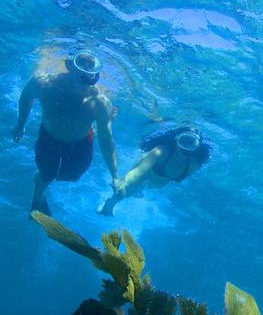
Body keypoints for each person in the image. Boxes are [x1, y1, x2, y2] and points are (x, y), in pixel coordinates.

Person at [12, 50, 120, 216]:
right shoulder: (44, 83)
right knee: (47, 175)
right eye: (80, 64)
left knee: (72, 176)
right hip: (49, 138)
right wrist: (20, 125)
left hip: (81, 143)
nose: (84, 71)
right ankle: (38, 196)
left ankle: (105, 121)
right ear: (69, 64)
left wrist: (115, 175)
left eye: (90, 67)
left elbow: (107, 140)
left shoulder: (98, 102)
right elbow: (26, 97)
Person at [98, 125, 210, 216]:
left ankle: (138, 188)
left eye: (190, 143)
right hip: (145, 171)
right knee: (126, 189)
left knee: (141, 188)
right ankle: (109, 204)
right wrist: (123, 183)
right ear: (176, 141)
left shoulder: (193, 165)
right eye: (183, 141)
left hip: (161, 181)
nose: (184, 147)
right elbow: (138, 172)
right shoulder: (160, 152)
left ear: (197, 147)